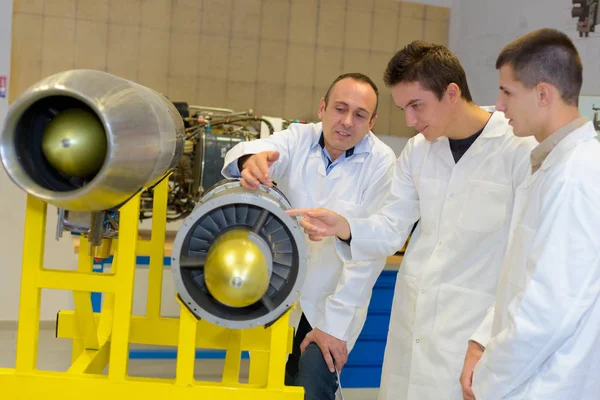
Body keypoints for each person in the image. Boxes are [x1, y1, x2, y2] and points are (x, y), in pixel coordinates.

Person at [286, 41, 537, 399]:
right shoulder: (418, 151)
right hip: (412, 327)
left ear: (451, 93)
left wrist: (484, 340)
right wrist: (344, 226)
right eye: (403, 108)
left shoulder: (517, 149)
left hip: (473, 334)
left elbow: (525, 263)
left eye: (416, 106)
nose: (410, 121)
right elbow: (391, 227)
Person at [220, 72, 397, 400]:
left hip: (332, 300)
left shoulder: (382, 163)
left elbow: (369, 253)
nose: (346, 121)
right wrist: (252, 160)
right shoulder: (299, 138)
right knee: (274, 385)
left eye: (359, 115)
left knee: (314, 384)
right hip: (276, 292)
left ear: (372, 122)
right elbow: (263, 150)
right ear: (322, 108)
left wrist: (335, 326)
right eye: (339, 109)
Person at [459, 28, 600, 400]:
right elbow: (520, 281)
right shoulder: (552, 166)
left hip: (549, 382)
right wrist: (482, 340)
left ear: (542, 94)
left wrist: (489, 380)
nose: (499, 105)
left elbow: (549, 309)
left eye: (507, 91)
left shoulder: (576, 175)